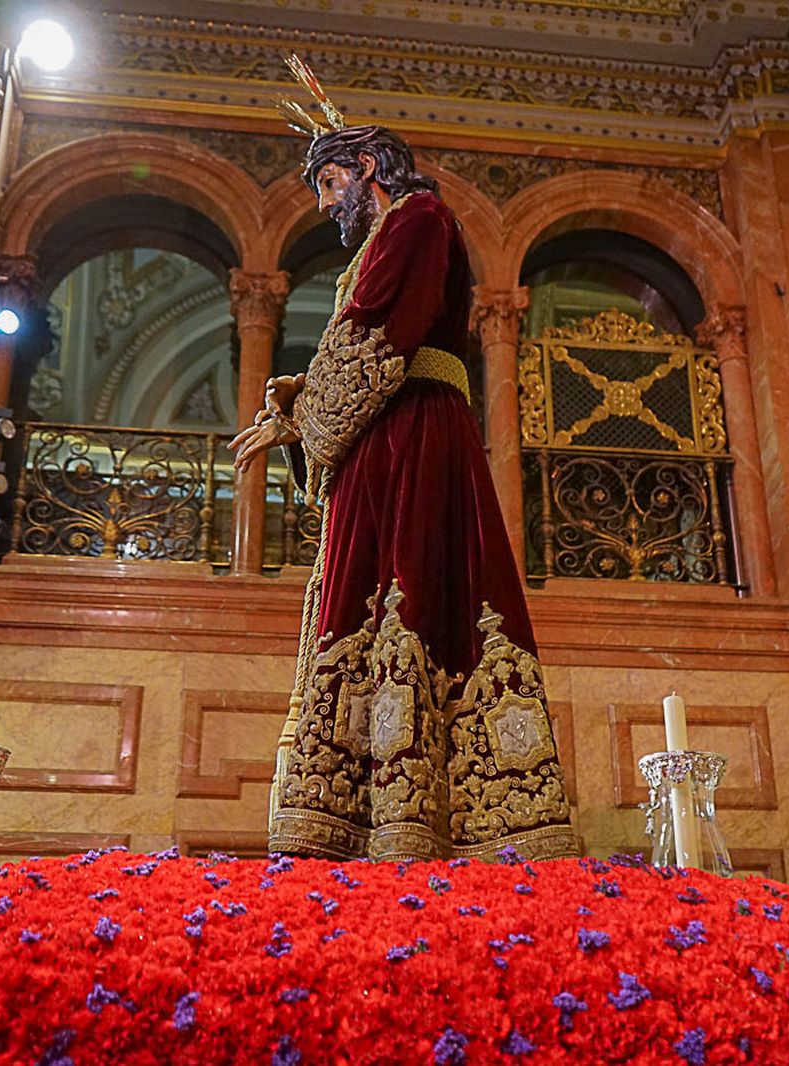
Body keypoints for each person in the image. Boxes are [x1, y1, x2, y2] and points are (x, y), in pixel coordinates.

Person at [230, 58, 578, 862]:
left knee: (413, 596)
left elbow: (375, 330)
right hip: (383, 439)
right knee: (371, 604)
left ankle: (430, 815)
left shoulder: (419, 219)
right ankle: (367, 810)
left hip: (412, 436)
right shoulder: (390, 234)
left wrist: (307, 417)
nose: (325, 206)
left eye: (328, 184)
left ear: (364, 170)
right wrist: (300, 411)